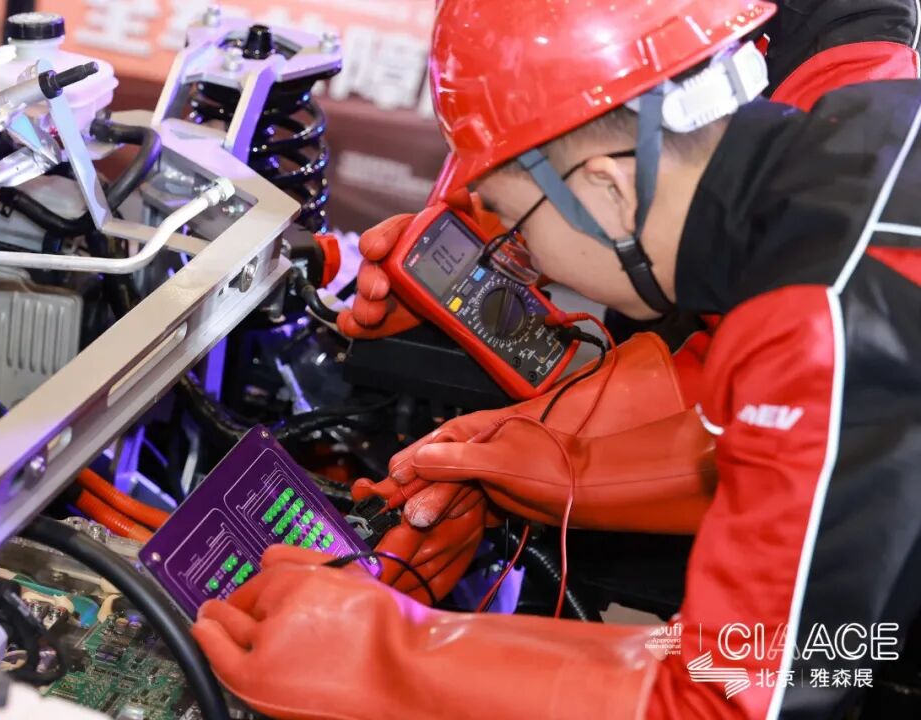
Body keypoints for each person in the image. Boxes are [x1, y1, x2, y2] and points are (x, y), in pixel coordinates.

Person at [191, 1, 921, 718]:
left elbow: (762, 687)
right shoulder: (867, 133)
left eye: (510, 220)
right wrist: (564, 464)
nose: (517, 254)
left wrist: (387, 655)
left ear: (607, 186)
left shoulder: (819, 314)